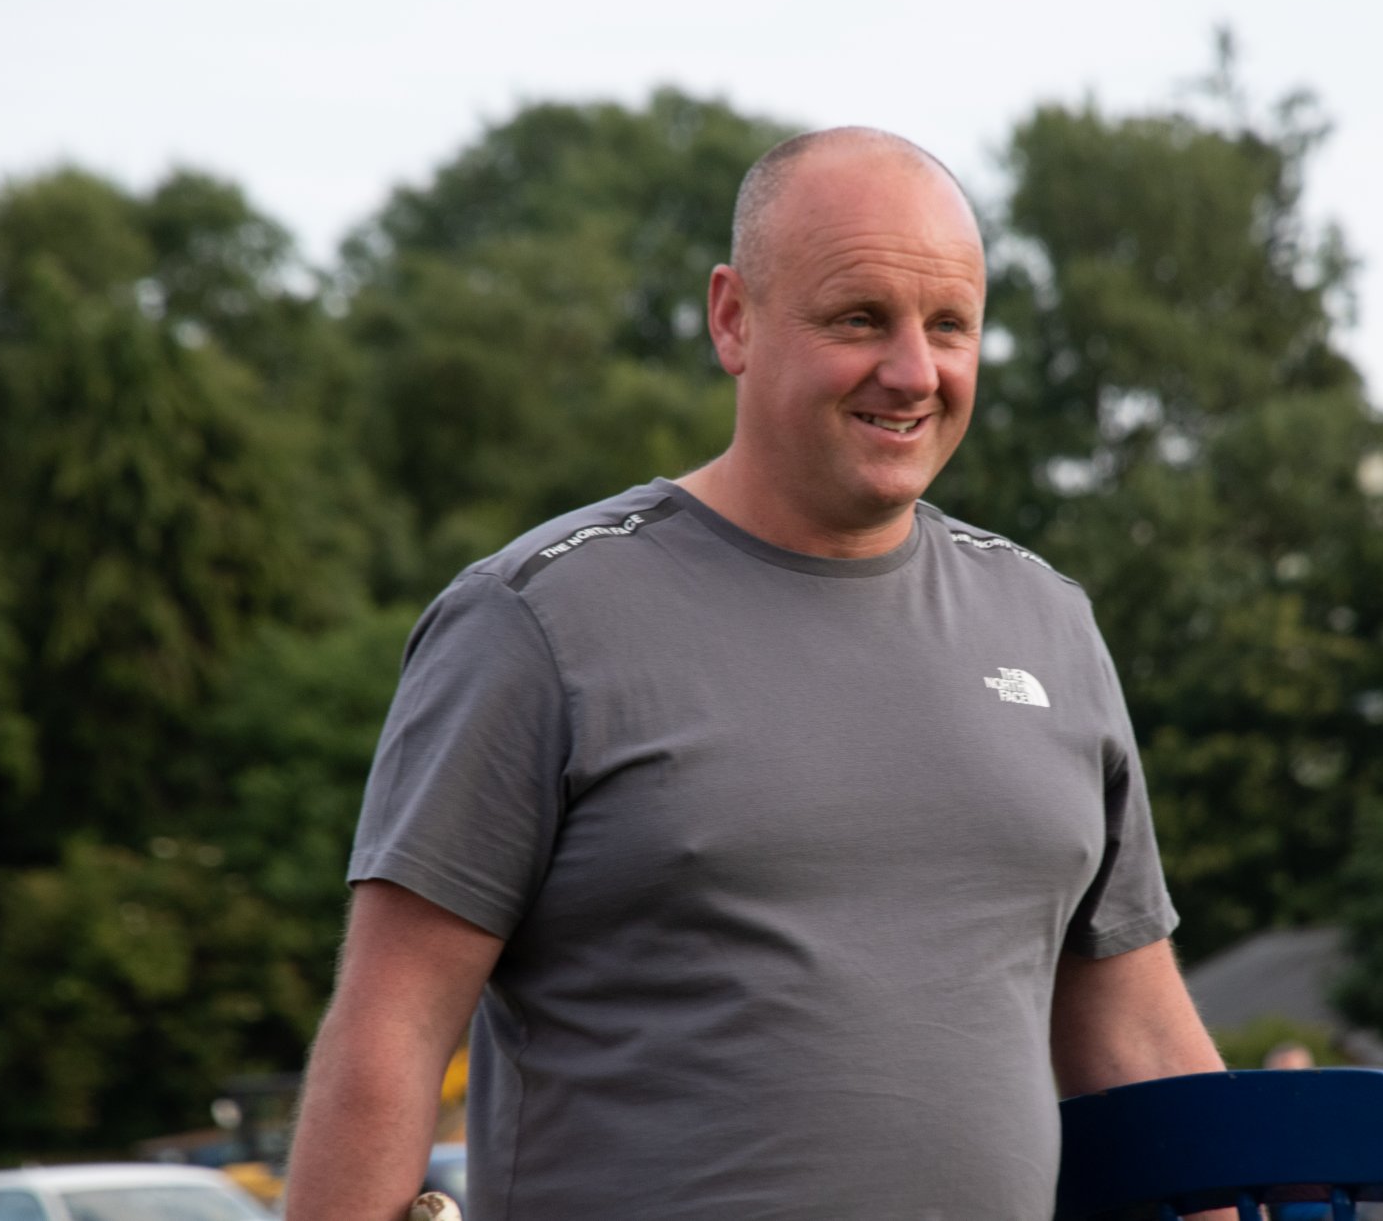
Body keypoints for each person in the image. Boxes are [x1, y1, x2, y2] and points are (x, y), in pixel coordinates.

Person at [285, 127, 1224, 1221]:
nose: (912, 371)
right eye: (858, 318)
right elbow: (389, 1033)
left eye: (949, 325)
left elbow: (1139, 1040)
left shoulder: (1047, 623)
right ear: (733, 318)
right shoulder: (537, 619)